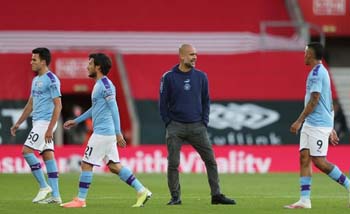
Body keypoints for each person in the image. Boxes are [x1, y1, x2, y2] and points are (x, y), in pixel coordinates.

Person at [61, 53, 152, 208]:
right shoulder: (99, 85)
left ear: (98, 66)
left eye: (90, 63)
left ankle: (80, 200)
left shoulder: (106, 85)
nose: (87, 66)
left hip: (103, 133)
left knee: (86, 164)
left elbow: (114, 108)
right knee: (114, 166)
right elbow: (95, 109)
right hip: (106, 133)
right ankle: (142, 191)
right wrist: (76, 121)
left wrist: (118, 132)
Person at [159, 44, 236, 205]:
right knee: (173, 163)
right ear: (181, 56)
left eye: (196, 54)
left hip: (197, 127)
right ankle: (175, 197)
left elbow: (206, 100)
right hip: (176, 127)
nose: (195, 57)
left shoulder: (201, 76)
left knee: (211, 161)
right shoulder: (168, 77)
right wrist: (169, 123)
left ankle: (216, 195)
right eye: (191, 54)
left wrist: (204, 121)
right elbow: (162, 103)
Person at [285, 42, 350, 209]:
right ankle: (305, 200)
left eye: (305, 52)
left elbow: (314, 100)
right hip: (314, 123)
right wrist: (331, 125)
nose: (304, 55)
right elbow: (327, 100)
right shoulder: (320, 72)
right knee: (304, 158)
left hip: (317, 124)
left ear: (310, 55)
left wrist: (299, 121)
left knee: (319, 161)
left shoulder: (316, 74)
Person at [10, 47, 62, 204]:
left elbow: (58, 106)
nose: (31, 62)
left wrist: (49, 129)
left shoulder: (52, 79)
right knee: (47, 155)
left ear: (43, 62)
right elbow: (30, 104)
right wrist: (18, 122)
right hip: (38, 122)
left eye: (34, 59)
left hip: (45, 123)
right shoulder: (35, 80)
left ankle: (44, 186)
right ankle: (56, 196)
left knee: (26, 151)